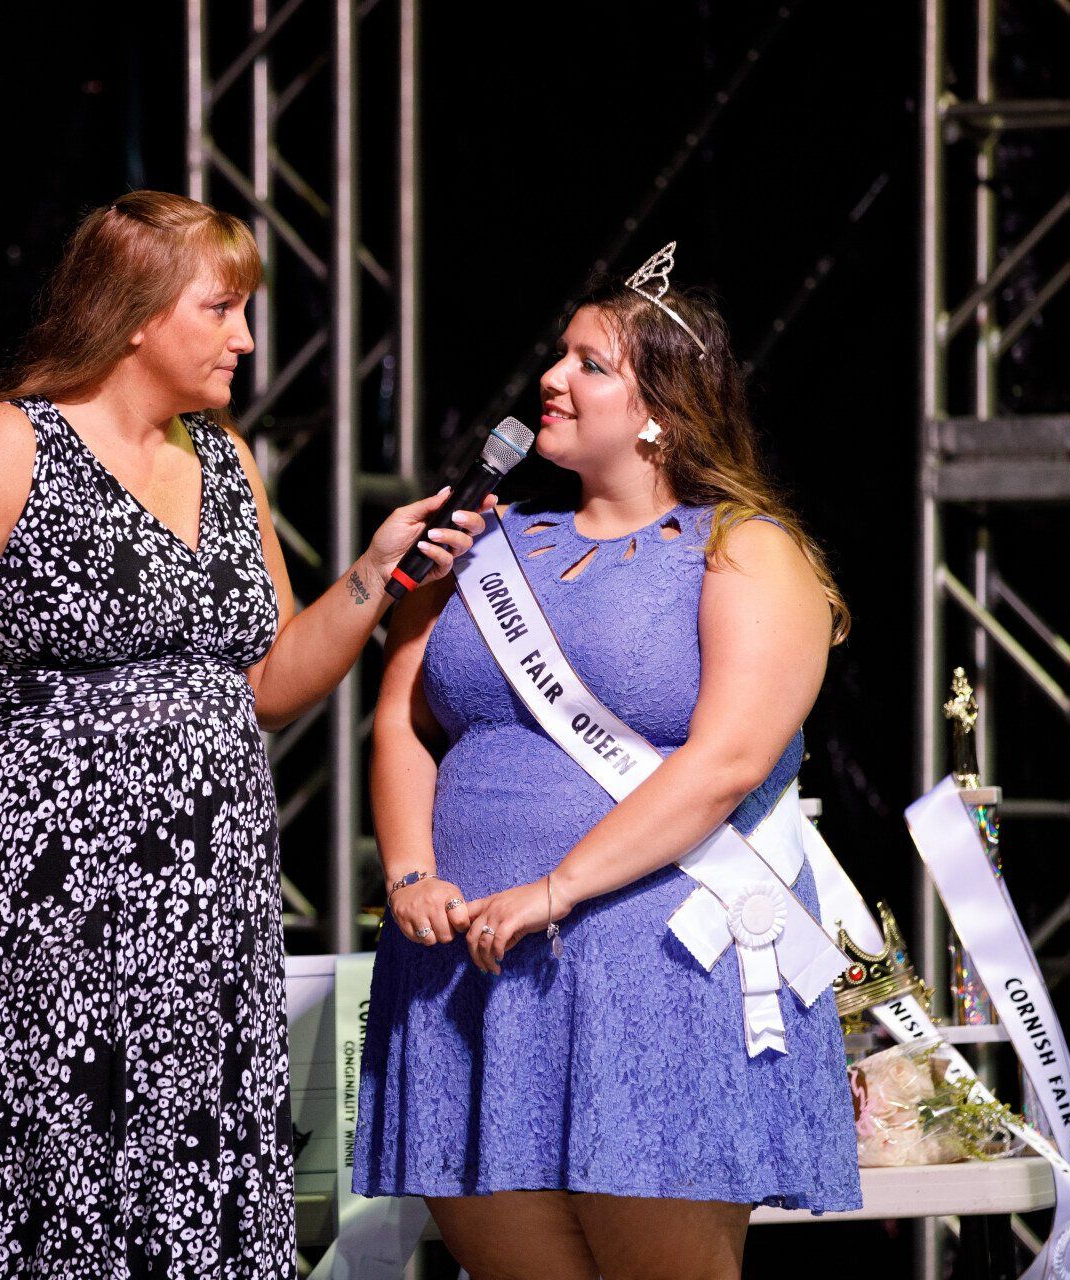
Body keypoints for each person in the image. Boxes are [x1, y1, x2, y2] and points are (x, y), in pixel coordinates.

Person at [0, 191, 490, 1279]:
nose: (246, 337)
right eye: (224, 308)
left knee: (192, 1185)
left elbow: (271, 680)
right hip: (54, 893)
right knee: (64, 1173)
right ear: (138, 313)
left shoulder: (225, 457)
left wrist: (374, 576)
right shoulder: (7, 444)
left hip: (207, 904)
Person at [351, 244, 861, 1280]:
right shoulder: (480, 547)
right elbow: (402, 718)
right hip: (465, 963)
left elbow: (727, 760)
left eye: (589, 362)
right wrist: (409, 869)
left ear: (662, 406)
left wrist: (557, 887)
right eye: (558, 355)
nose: (552, 376)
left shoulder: (747, 549)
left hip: (653, 963)